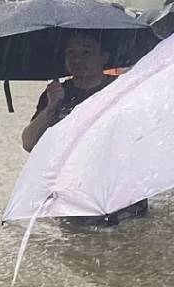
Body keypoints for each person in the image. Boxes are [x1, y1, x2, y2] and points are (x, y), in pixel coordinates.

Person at [21, 33, 147, 225]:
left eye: (86, 52)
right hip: (74, 196)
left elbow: (141, 138)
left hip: (122, 194)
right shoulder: (55, 94)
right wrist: (51, 107)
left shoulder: (122, 89)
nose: (77, 59)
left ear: (104, 56)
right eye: (71, 53)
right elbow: (29, 143)